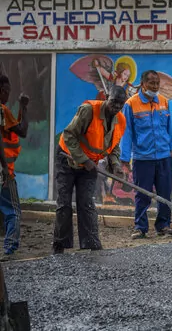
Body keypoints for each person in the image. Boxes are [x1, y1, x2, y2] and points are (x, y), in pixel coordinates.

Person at [53, 85, 127, 254]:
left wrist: (115, 165)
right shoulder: (88, 110)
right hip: (67, 158)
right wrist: (83, 160)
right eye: (114, 102)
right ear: (106, 97)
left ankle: (91, 242)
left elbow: (113, 146)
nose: (116, 107)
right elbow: (68, 135)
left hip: (89, 164)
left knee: (86, 202)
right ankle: (60, 244)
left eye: (120, 104)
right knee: (64, 202)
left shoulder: (120, 120)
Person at [120, 70, 172, 239]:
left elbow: (169, 128)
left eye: (156, 83)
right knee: (142, 194)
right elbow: (127, 133)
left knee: (165, 193)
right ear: (143, 83)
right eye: (151, 83)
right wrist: (124, 159)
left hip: (163, 157)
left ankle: (163, 225)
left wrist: (171, 149)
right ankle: (140, 227)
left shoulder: (164, 102)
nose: (154, 86)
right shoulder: (131, 104)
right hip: (142, 158)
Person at [0, 75, 29, 258]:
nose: (8, 95)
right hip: (4, 171)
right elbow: (22, 131)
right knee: (14, 211)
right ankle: (10, 249)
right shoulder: (1, 110)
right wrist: (24, 106)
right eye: (7, 91)